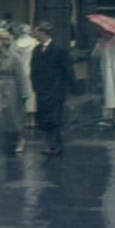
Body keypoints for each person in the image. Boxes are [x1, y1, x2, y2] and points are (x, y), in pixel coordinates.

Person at [30, 20, 74, 156]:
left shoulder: (58, 49)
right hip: (42, 91)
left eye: (37, 31)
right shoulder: (36, 50)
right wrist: (35, 85)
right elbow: (33, 69)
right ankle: (49, 144)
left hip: (55, 90)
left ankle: (56, 145)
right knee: (45, 119)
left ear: (43, 32)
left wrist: (67, 88)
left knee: (55, 119)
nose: (34, 34)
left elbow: (67, 70)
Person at [13, 22, 38, 127]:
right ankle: (32, 119)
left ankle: (23, 119)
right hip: (31, 69)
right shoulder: (35, 43)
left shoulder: (16, 43)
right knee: (31, 93)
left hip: (19, 71)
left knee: (21, 93)